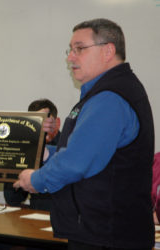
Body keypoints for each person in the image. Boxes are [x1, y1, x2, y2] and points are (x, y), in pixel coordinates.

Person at [14, 18, 155, 250]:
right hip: (103, 232)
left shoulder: (110, 97)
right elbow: (88, 151)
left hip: (108, 236)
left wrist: (36, 180)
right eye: (70, 50)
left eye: (79, 49)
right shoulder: (104, 92)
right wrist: (43, 153)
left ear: (108, 50)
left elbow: (77, 162)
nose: (70, 57)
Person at [4, 98, 60, 211]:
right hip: (36, 216)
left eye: (46, 120)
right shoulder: (25, 148)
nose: (41, 125)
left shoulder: (68, 145)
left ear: (57, 122)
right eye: (36, 121)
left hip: (64, 216)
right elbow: (12, 199)